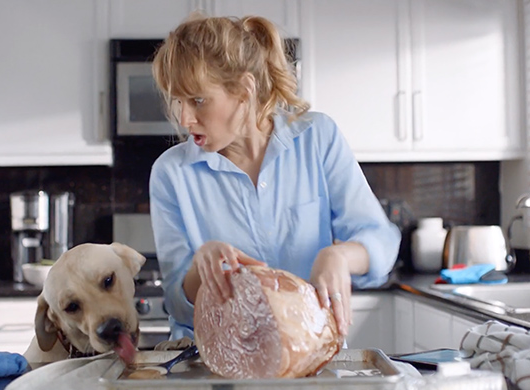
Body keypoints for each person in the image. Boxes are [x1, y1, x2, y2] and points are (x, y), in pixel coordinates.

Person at [149, 13, 401, 342]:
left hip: (308, 351)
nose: (184, 118)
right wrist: (202, 269)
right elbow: (177, 305)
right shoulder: (171, 174)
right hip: (211, 361)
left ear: (244, 89)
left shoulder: (317, 138)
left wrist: (338, 256)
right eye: (178, 101)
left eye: (198, 100)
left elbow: (381, 240)